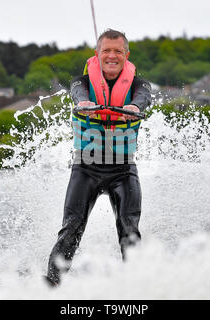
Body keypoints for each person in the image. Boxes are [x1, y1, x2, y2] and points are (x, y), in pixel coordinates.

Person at [46, 29, 151, 286]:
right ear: (98, 54)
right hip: (86, 169)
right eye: (107, 50)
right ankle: (50, 286)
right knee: (70, 229)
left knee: (129, 230)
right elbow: (77, 93)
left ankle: (135, 288)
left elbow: (143, 98)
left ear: (126, 54)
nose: (112, 56)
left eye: (118, 51)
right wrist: (83, 104)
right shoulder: (80, 83)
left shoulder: (140, 85)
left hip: (123, 171)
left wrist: (134, 107)